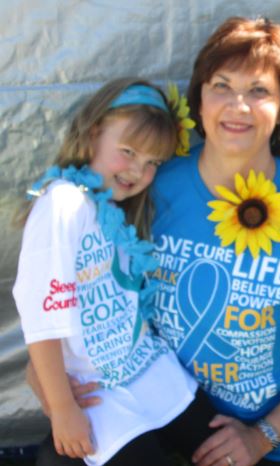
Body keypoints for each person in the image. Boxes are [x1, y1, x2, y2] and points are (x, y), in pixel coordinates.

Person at [149, 17, 280, 466]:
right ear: (200, 99)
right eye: (221, 85)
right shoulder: (152, 188)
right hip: (164, 416)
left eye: (259, 91)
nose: (238, 105)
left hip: (277, 442)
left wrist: (262, 437)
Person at [14, 78, 216, 466]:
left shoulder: (116, 211)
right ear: (94, 133)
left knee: (219, 445)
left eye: (153, 162)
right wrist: (61, 408)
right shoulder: (62, 204)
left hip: (146, 366)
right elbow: (42, 321)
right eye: (128, 151)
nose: (137, 170)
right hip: (95, 390)